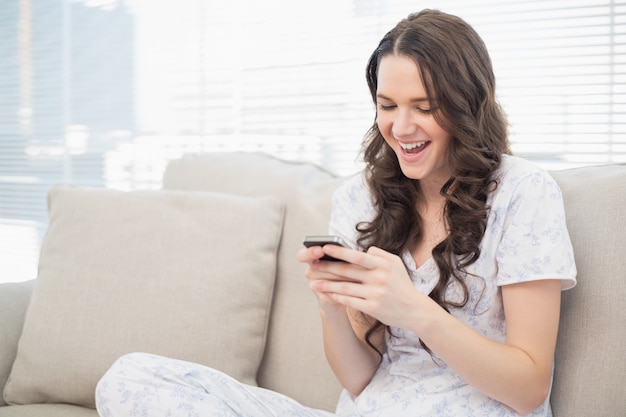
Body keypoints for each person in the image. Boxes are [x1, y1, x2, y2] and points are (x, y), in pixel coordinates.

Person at [95, 9, 576, 417]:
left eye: (424, 107)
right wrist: (330, 306)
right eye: (387, 105)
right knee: (129, 378)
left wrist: (416, 311)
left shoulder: (524, 193)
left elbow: (529, 386)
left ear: (467, 106)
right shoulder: (362, 198)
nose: (400, 126)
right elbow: (360, 378)